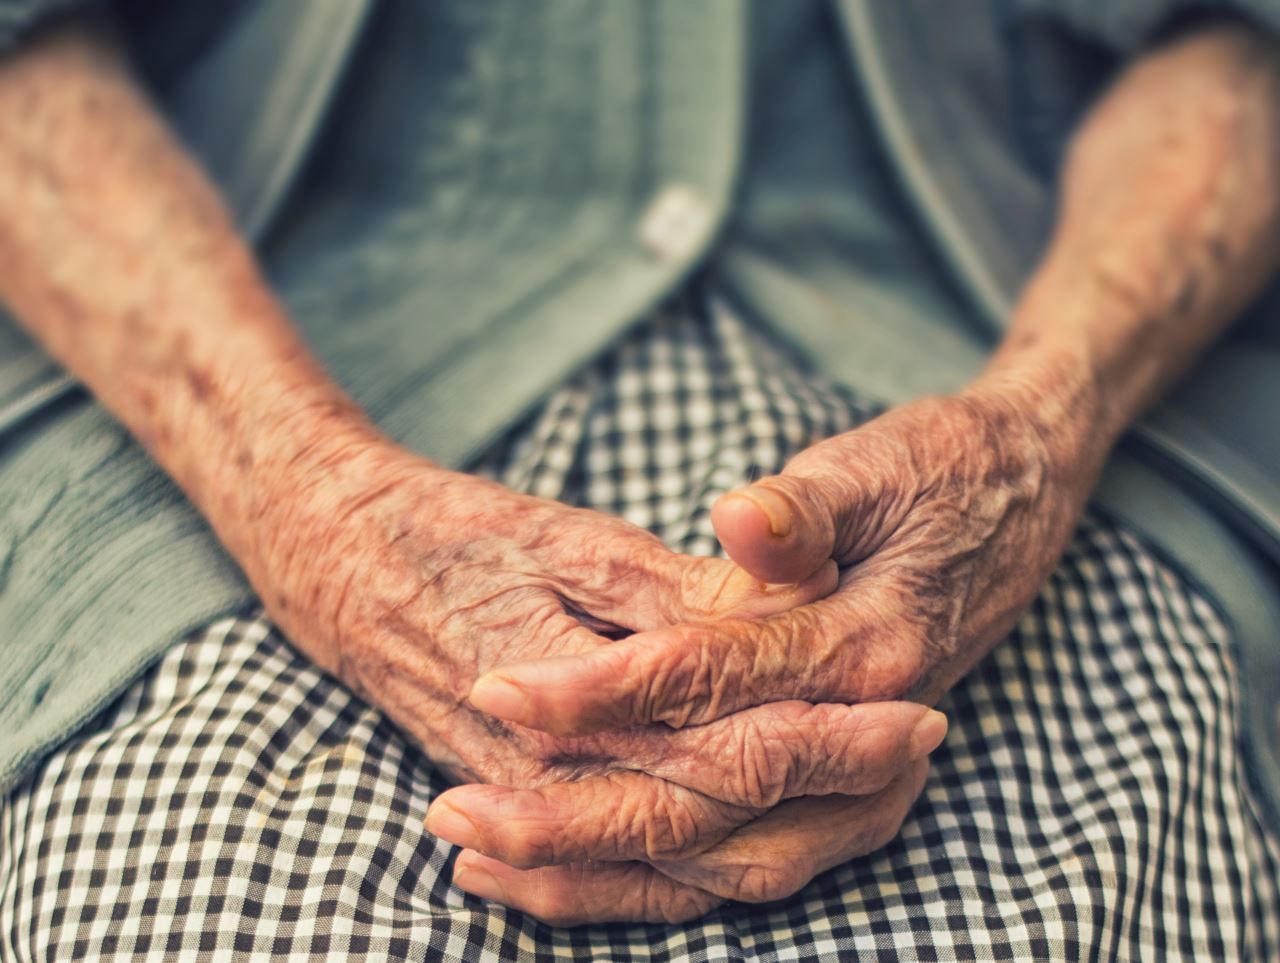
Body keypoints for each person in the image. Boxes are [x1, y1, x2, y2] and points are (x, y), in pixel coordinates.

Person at [1, 0, 1278, 958]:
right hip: (237, 400)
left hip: (1012, 381)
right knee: (192, 896)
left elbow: (1238, 53)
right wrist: (306, 503)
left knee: (1082, 892)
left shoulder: (1026, 454)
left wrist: (1041, 431)